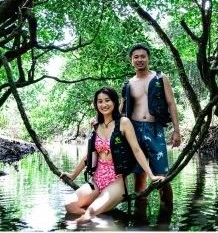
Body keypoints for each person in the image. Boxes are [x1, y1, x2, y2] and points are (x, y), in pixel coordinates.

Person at [60, 87, 164, 223]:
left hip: (116, 179)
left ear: (114, 102)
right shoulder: (97, 125)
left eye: (107, 100)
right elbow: (89, 156)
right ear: (96, 104)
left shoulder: (124, 123)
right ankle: (107, 222)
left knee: (90, 213)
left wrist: (151, 175)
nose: (104, 105)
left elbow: (137, 150)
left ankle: (84, 223)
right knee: (70, 205)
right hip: (97, 179)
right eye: (100, 101)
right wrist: (73, 175)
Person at [121, 43, 181, 206]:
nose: (140, 59)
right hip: (134, 131)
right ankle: (141, 221)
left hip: (155, 130)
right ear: (131, 61)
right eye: (136, 57)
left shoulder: (160, 78)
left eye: (143, 56)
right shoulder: (128, 84)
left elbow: (171, 103)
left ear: (148, 58)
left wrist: (176, 130)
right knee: (139, 177)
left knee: (162, 177)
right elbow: (120, 110)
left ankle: (165, 218)